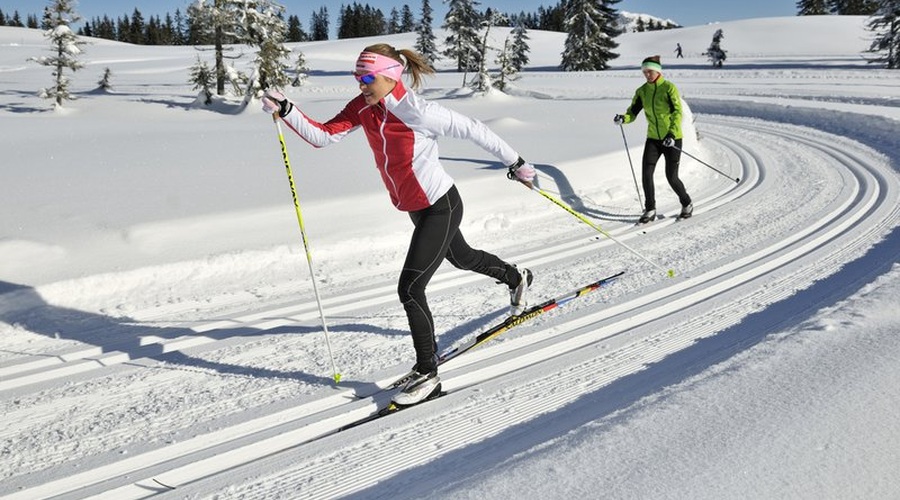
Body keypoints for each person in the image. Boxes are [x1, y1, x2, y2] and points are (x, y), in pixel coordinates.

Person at [261, 43, 535, 406]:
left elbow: (474, 129)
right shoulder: (363, 107)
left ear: (390, 76)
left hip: (441, 205)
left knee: (410, 288)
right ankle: (517, 278)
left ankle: (428, 372)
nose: (361, 85)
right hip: (416, 207)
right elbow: (323, 136)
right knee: (463, 257)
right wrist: (288, 110)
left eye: (368, 78)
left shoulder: (419, 111)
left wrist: (516, 163)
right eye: (357, 78)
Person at [614, 55, 692, 224]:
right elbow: (632, 112)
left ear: (657, 71)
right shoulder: (642, 91)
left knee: (672, 177)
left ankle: (687, 203)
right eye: (645, 72)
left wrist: (671, 134)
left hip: (672, 139)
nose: (647, 75)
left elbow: (678, 113)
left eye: (650, 71)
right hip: (653, 139)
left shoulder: (669, 88)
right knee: (646, 174)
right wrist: (624, 118)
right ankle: (650, 209)